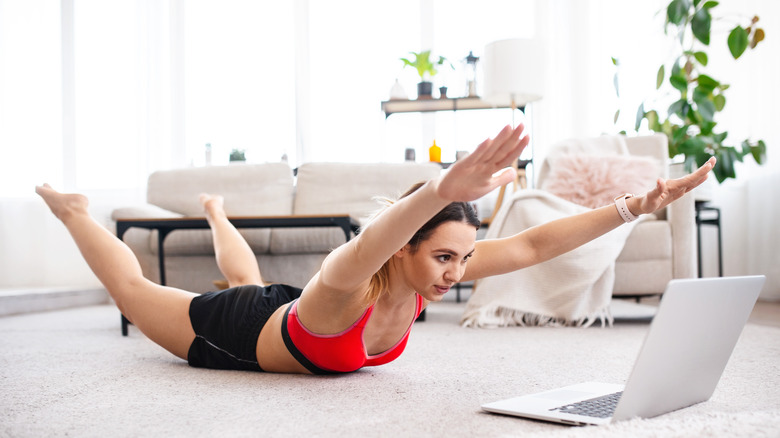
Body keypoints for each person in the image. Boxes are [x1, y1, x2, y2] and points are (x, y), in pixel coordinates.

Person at [36, 124, 715, 374]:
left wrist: (633, 208)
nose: (457, 273)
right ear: (401, 250)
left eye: (462, 257)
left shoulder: (429, 272)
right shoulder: (346, 286)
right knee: (146, 291)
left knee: (244, 277)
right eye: (442, 257)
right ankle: (74, 213)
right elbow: (364, 249)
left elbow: (536, 242)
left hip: (281, 310)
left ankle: (215, 211)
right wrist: (436, 188)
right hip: (235, 336)